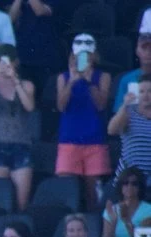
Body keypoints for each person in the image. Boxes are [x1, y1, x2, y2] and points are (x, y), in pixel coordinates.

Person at [57, 33, 113, 210]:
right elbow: (61, 105)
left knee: (93, 196)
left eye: (87, 55)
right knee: (66, 191)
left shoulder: (102, 77)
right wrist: (72, 81)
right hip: (69, 141)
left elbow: (101, 105)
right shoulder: (63, 77)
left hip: (94, 141)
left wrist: (89, 81)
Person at [103, 166, 150, 237]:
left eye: (134, 183)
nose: (129, 186)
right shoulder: (110, 211)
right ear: (120, 186)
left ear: (140, 187)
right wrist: (113, 223)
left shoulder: (148, 210)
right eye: (125, 183)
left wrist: (127, 221)